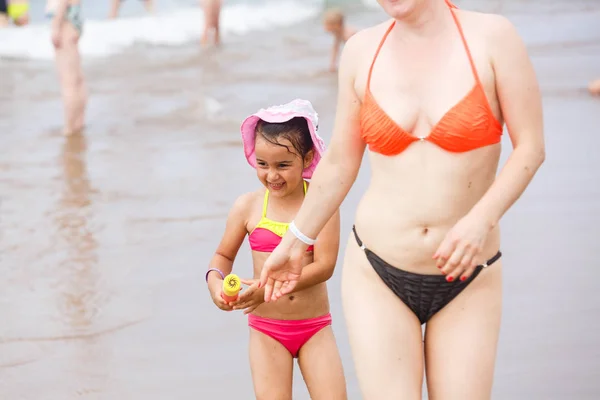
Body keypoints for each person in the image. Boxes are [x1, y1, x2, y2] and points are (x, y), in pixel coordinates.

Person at [259, 0, 545, 399]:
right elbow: (340, 163)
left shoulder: (493, 38)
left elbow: (530, 147)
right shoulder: (361, 50)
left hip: (469, 274)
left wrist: (481, 219)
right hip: (378, 269)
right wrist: (295, 241)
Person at [206, 99, 347, 399]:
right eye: (262, 164)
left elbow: (325, 266)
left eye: (283, 165)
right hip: (267, 328)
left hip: (315, 328)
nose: (272, 175)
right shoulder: (247, 207)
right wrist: (215, 282)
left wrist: (267, 287)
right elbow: (223, 257)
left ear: (308, 158)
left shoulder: (321, 205)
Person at [46, 0, 87, 136]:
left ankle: (69, 127)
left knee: (68, 81)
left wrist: (56, 26)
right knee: (77, 78)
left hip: (65, 21)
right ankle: (78, 122)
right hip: (73, 18)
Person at [322, 7, 356, 72]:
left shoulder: (347, 34)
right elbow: (335, 48)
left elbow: (354, 50)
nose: (325, 27)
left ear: (337, 25)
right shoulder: (338, 33)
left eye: (327, 25)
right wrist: (332, 64)